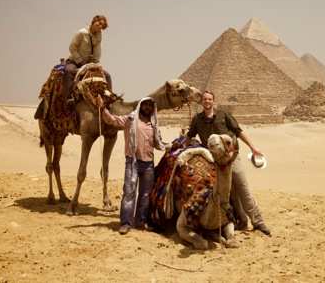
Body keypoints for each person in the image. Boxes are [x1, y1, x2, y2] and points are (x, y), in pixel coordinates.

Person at [182, 91, 271, 235]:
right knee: (228, 192)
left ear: (213, 101)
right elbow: (189, 135)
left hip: (231, 159)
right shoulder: (197, 119)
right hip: (212, 161)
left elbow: (238, 131)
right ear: (201, 102)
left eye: (209, 99)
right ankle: (241, 221)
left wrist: (253, 147)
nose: (207, 101)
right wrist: (182, 151)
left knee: (243, 189)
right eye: (205, 99)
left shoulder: (223, 114)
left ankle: (258, 222)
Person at [96, 95, 171, 235]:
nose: (147, 107)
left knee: (145, 194)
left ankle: (141, 222)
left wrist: (172, 146)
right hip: (133, 162)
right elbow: (111, 120)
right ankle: (125, 223)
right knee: (129, 192)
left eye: (150, 105)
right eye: (145, 104)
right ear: (140, 106)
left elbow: (158, 143)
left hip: (148, 163)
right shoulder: (129, 119)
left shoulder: (153, 124)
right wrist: (102, 108)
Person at [64, 15, 112, 109]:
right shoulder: (81, 33)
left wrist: (97, 65)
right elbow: (72, 48)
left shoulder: (99, 36)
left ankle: (109, 100)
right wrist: (80, 61)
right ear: (94, 21)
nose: (100, 26)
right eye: (99, 23)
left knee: (107, 76)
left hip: (89, 64)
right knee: (68, 71)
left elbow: (97, 53)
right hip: (75, 61)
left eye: (102, 25)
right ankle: (68, 98)